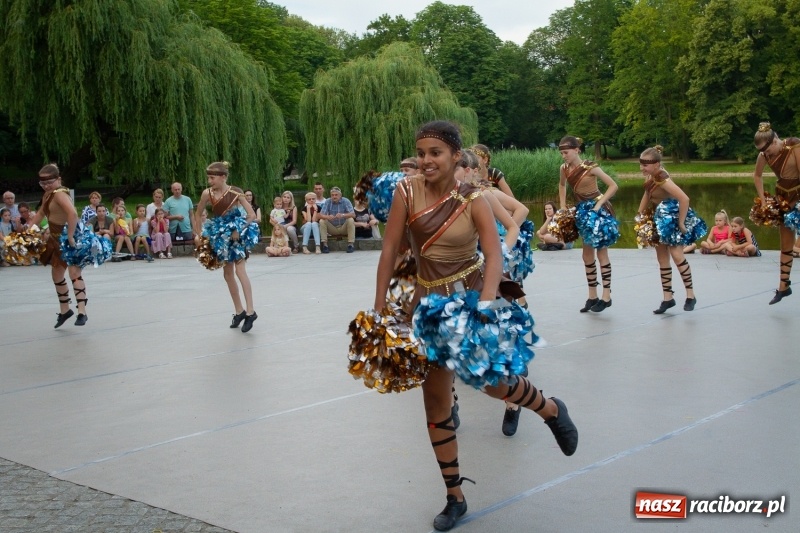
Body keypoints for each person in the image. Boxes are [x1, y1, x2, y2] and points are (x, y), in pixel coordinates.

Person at [373, 121, 577, 532]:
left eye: (436, 153)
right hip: (426, 307)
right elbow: (391, 249)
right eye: (422, 153)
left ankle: (551, 409)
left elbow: (493, 255)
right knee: (435, 405)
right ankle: (454, 496)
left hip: (468, 302)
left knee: (493, 385)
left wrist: (485, 304)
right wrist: (380, 309)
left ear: (454, 155)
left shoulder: (475, 198)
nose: (427, 160)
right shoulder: (404, 192)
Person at [28, 164, 110, 328]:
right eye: (42, 184)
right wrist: (29, 229)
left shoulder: (60, 194)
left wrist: (71, 236)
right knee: (57, 275)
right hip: (56, 239)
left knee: (74, 272)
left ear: (58, 180)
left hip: (70, 238)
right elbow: (41, 213)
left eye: (49, 182)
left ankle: (82, 311)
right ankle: (65, 310)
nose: (46, 186)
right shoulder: (48, 195)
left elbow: (72, 214)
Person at [637, 146, 706, 314]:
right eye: (641, 164)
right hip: (657, 218)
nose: (642, 167)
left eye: (645, 164)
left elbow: (684, 198)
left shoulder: (662, 177)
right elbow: (647, 194)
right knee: (662, 259)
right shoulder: (651, 176)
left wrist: (681, 223)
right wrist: (639, 214)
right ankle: (668, 298)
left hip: (670, 220)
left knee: (676, 255)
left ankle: (691, 295)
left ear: (657, 164)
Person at [192, 161, 259, 333]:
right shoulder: (207, 194)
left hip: (236, 235)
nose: (210, 181)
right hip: (220, 235)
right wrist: (198, 234)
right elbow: (198, 213)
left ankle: (251, 311)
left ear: (223, 177)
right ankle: (239, 311)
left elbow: (251, 215)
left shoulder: (236, 192)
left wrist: (239, 228)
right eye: (209, 177)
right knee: (227, 273)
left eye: (212, 178)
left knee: (240, 270)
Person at [558, 136, 620, 313]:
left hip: (597, 211)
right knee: (587, 255)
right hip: (582, 212)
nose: (564, 156)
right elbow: (562, 185)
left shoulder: (590, 167)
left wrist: (599, 204)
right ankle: (592, 296)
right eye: (562, 153)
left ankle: (606, 295)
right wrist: (562, 207)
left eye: (566, 152)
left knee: (601, 253)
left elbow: (613, 185)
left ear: (577, 150)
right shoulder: (564, 168)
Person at [752, 122, 799, 304]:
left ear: (775, 140)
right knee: (785, 244)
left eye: (767, 151)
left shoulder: (794, 146)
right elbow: (757, 175)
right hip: (783, 199)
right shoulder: (764, 154)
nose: (766, 155)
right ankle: (783, 286)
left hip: (798, 196)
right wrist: (763, 200)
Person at [318, 187, 356, 253]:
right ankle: (325, 245)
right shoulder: (328, 201)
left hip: (344, 227)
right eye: (332, 195)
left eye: (336, 195)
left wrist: (343, 215)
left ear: (340, 195)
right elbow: (320, 215)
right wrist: (327, 217)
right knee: (322, 221)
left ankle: (350, 245)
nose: (334, 197)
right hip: (332, 228)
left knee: (350, 220)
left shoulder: (346, 201)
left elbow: (353, 215)